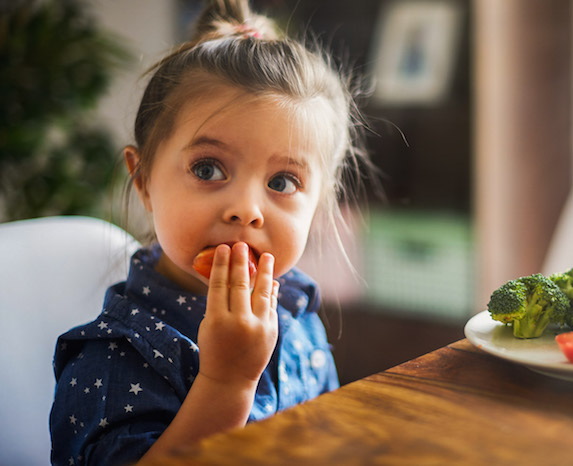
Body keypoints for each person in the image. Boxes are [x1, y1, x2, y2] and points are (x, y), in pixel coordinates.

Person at [49, 0, 371, 464]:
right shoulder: (113, 359)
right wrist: (227, 383)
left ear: (318, 206)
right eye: (207, 168)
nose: (245, 210)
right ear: (143, 182)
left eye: (282, 182)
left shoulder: (297, 311)